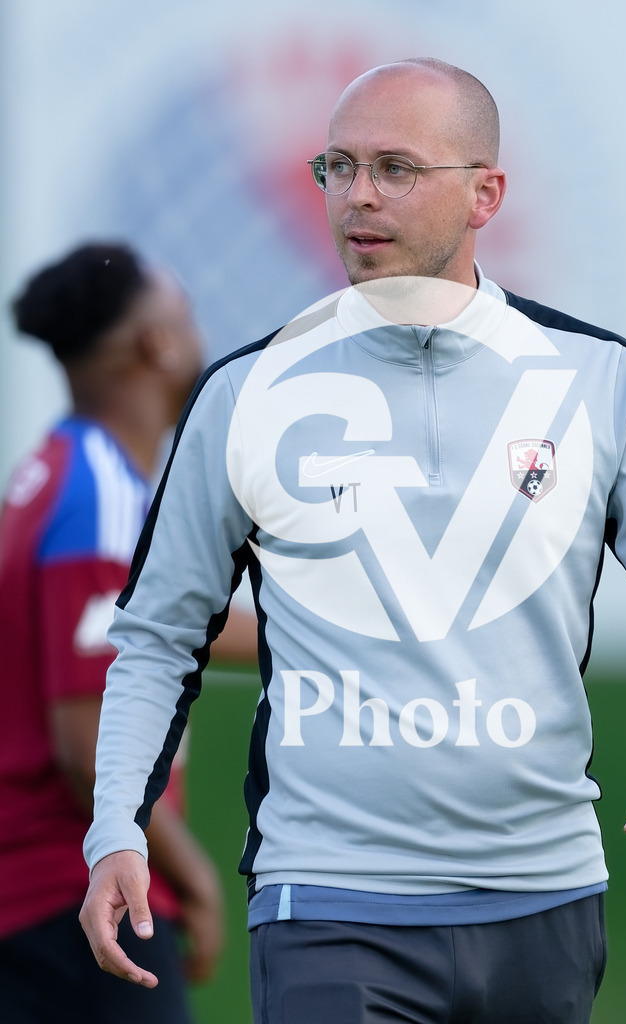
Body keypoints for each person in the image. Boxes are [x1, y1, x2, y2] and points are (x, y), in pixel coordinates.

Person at [79, 60, 626, 1024]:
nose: (359, 196)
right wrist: (117, 828)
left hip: (545, 898)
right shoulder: (244, 394)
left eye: (396, 167)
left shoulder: (598, 380)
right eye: (339, 166)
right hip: (326, 899)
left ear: (487, 194)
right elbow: (156, 635)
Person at [0, 242, 256, 1024]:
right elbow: (86, 742)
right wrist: (194, 878)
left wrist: (328, 631)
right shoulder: (102, 499)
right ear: (157, 342)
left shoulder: (61, 472)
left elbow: (160, 626)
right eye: (184, 309)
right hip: (74, 900)